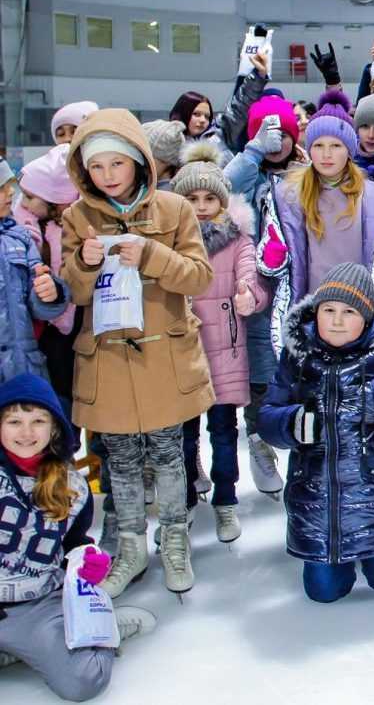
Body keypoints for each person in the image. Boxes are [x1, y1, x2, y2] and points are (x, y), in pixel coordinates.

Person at [60, 109, 215, 597]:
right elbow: (72, 294)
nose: (107, 176)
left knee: (170, 456)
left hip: (164, 356)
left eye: (117, 165)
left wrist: (150, 254)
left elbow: (199, 277)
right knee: (120, 460)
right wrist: (82, 265)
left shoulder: (174, 210)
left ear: (140, 163)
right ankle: (129, 546)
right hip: (108, 358)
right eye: (97, 167)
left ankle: (174, 539)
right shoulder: (76, 217)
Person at [258, 264, 374, 603]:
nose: (337, 320)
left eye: (349, 311)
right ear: (316, 313)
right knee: (323, 592)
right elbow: (267, 415)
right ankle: (336, 564)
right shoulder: (298, 356)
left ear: (369, 317)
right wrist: (291, 423)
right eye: (329, 310)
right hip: (319, 504)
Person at [0, 374, 156, 700]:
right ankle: (23, 649)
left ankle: (96, 633)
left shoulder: (71, 485)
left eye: (37, 421)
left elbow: (75, 540)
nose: (26, 432)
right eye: (14, 421)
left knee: (84, 681)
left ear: (54, 428)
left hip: (37, 605)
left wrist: (89, 559)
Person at [172, 144, 268, 544]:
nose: (201, 206)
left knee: (224, 433)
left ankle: (226, 501)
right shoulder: (172, 241)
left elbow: (252, 278)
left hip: (226, 351)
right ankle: (188, 498)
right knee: (184, 436)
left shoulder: (238, 240)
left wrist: (250, 295)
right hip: (181, 353)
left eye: (210, 198)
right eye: (192, 199)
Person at [224, 94, 305, 499]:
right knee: (260, 371)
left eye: (283, 134)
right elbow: (221, 187)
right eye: (268, 134)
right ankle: (257, 439)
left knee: (297, 371)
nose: (278, 143)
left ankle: (300, 450)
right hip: (255, 286)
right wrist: (253, 150)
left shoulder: (305, 173)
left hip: (300, 285)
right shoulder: (247, 174)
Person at [270, 90, 374, 347]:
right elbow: (276, 262)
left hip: (358, 310)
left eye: (336, 146)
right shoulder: (287, 196)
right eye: (318, 146)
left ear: (349, 150)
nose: (326, 155)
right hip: (311, 312)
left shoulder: (373, 198)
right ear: (308, 149)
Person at [13, 144, 81, 406]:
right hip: (41, 328)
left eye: (31, 197)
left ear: (56, 199)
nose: (23, 203)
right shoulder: (23, 227)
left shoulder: (69, 230)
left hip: (75, 322)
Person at [0, 157, 69, 386]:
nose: (11, 192)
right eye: (1, 187)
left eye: (10, 184)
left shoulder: (19, 237)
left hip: (22, 368)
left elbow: (38, 308)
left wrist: (50, 293)